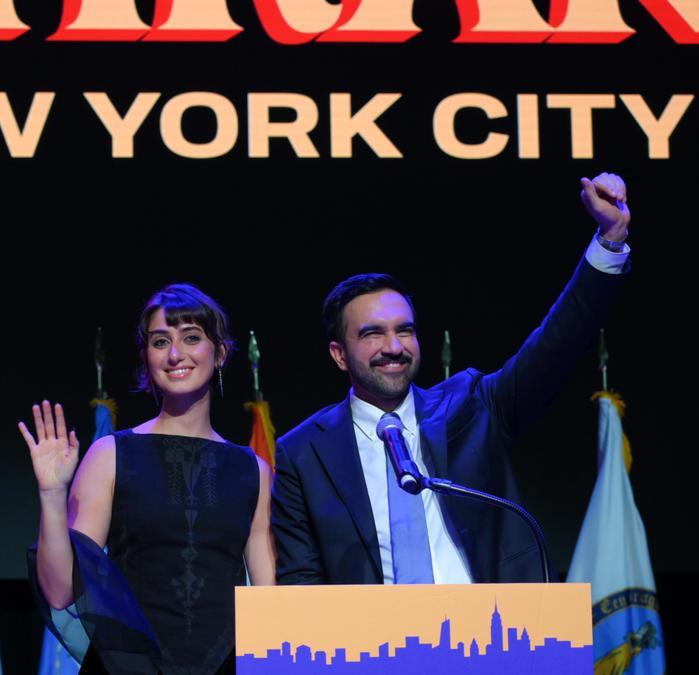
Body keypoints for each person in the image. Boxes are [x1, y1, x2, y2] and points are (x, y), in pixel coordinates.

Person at [271, 173, 632, 586]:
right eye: (373, 333)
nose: (394, 346)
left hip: (491, 636)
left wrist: (610, 240)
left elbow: (556, 346)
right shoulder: (303, 452)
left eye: (404, 330)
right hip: (370, 646)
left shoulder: (473, 406)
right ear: (339, 354)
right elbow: (302, 581)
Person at [21, 284, 274, 675]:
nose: (175, 355)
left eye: (191, 337)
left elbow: (267, 600)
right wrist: (52, 493)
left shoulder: (252, 469)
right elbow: (59, 592)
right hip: (126, 666)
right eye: (160, 341)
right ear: (146, 358)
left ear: (220, 352)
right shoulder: (111, 455)